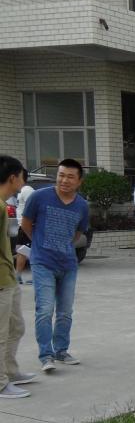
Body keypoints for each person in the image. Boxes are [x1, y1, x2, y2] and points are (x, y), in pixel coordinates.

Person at [20, 158, 90, 372]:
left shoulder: (82, 205)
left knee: (65, 312)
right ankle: (46, 355)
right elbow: (26, 224)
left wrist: (63, 246)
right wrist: (40, 245)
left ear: (79, 181)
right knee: (44, 310)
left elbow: (78, 233)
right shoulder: (39, 197)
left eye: (70, 177)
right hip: (43, 263)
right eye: (61, 175)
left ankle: (61, 351)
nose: (64, 180)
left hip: (68, 265)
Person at [0, 156, 36, 398]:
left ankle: (10, 372)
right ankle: (1, 383)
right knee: (1, 333)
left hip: (9, 277)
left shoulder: (4, 205)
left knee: (16, 327)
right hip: (1, 281)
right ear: (13, 177)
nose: (24, 181)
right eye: (22, 176)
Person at [14, 170, 33, 283]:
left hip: (26, 225)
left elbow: (32, 207)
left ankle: (19, 276)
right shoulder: (21, 190)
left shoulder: (27, 190)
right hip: (21, 225)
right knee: (21, 250)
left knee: (23, 251)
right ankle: (18, 275)